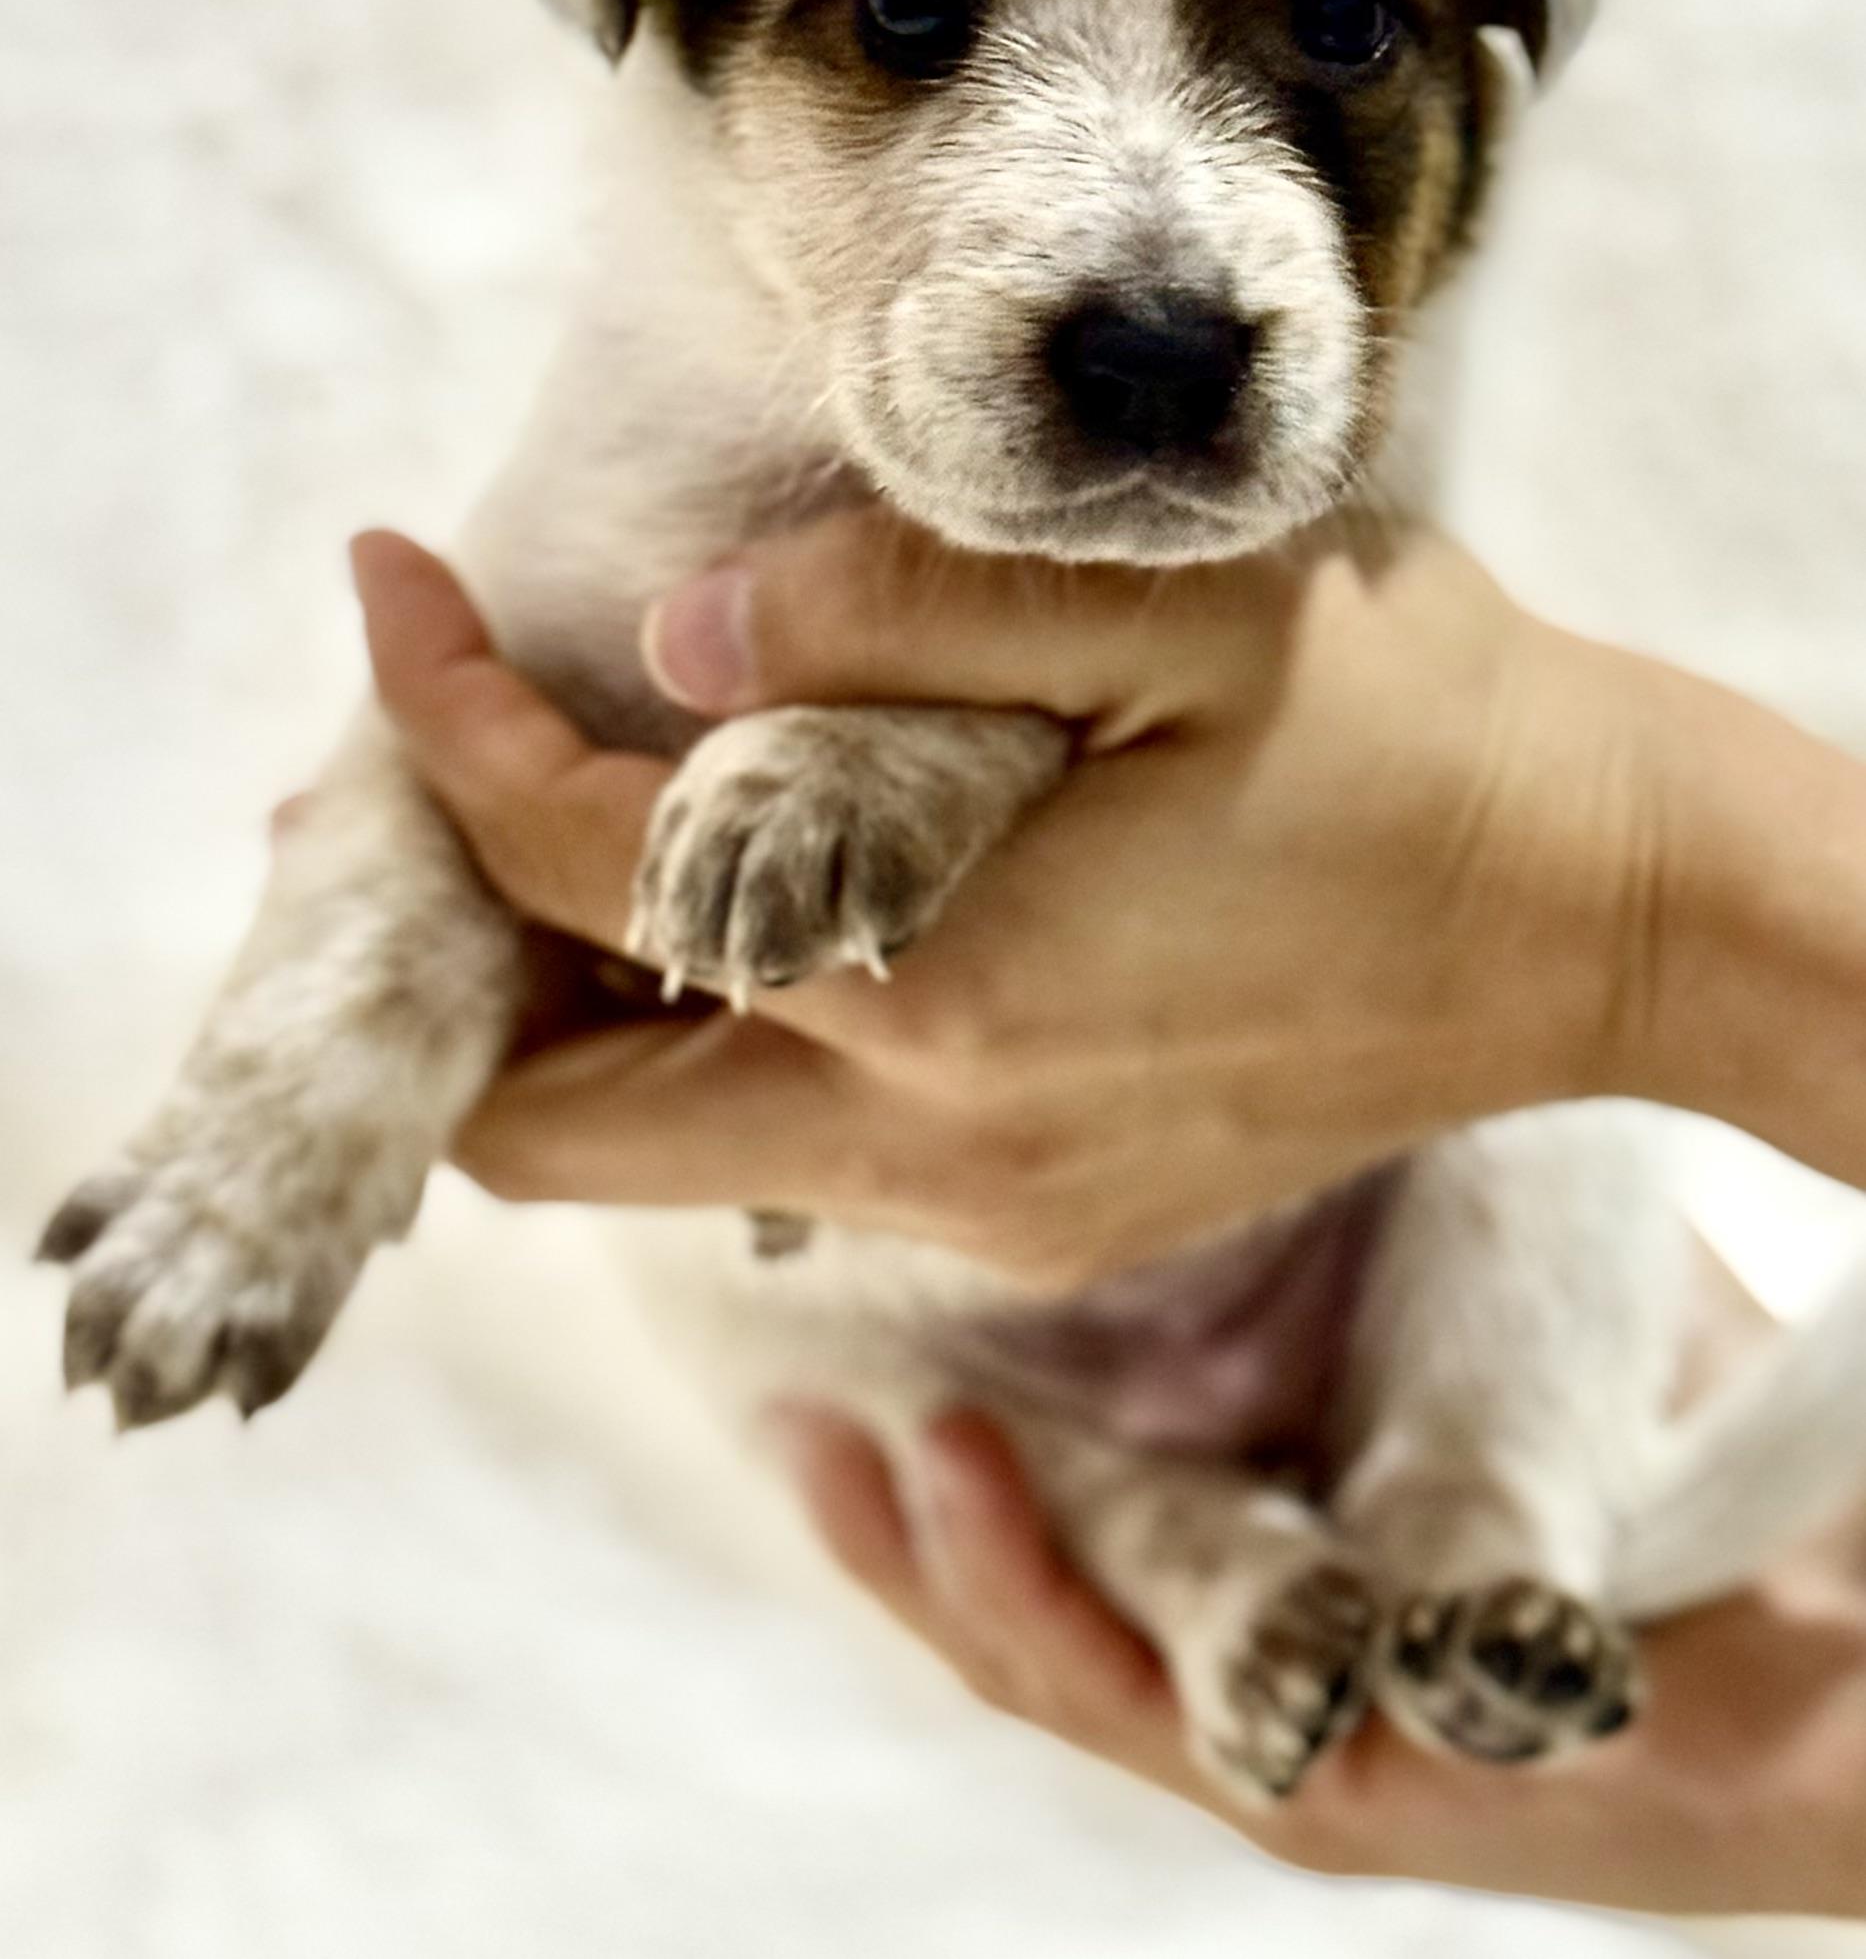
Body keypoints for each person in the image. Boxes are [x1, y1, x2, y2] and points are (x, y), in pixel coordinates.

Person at [350, 512, 1866, 1918]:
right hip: (926, 1351)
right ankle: (1240, 1570)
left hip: (1368, 1229)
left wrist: (1616, 909)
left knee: (1556, 1132)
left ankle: (1476, 1527)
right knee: (862, 1408)